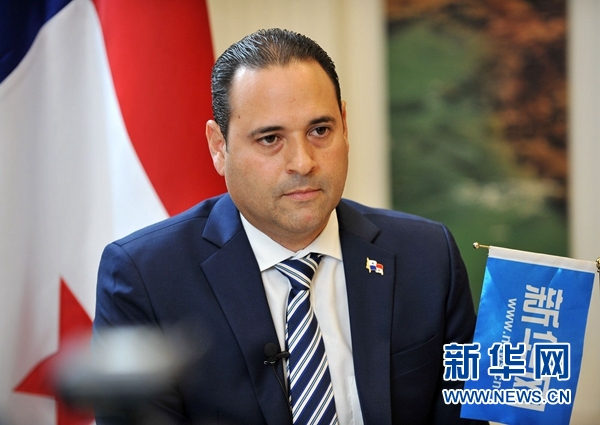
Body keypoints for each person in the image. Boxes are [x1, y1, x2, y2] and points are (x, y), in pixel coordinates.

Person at [94, 28, 483, 424]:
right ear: (219, 146)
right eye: (270, 138)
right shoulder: (146, 278)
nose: (303, 162)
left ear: (345, 126)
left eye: (320, 131)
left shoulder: (427, 255)